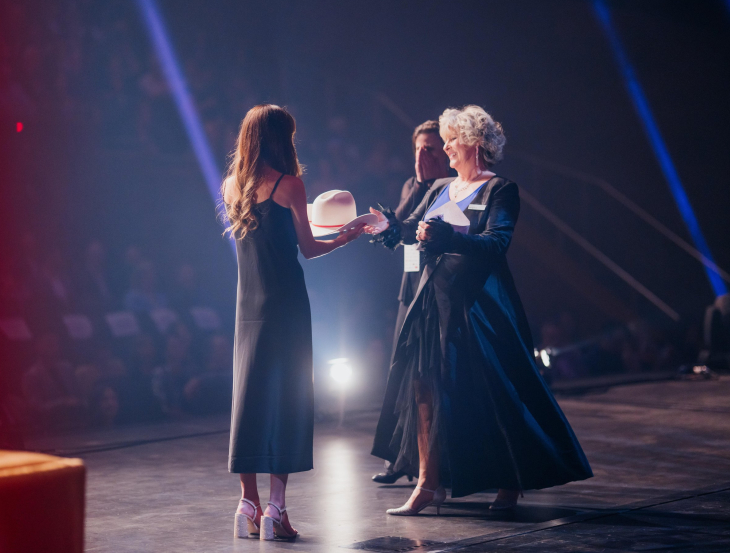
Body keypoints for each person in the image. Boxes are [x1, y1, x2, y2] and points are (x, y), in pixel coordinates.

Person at [367, 105, 592, 516]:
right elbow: (411, 230)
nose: (447, 146)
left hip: (479, 310)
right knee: (423, 388)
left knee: (493, 393)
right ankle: (426, 484)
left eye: (452, 139)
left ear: (473, 142)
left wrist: (448, 236)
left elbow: (496, 243)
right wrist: (388, 227)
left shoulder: (500, 190)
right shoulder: (440, 189)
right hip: (433, 305)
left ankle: (510, 481)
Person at [223, 104, 364, 540]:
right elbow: (309, 248)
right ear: (282, 139)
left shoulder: (231, 186)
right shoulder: (290, 186)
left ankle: (248, 504)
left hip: (247, 307)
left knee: (247, 401)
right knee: (287, 401)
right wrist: (349, 234)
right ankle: (276, 510)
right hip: (285, 306)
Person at [373, 120, 449, 485]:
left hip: (437, 288)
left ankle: (430, 464)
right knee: (399, 369)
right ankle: (396, 459)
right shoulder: (412, 184)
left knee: (426, 378)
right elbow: (399, 225)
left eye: (431, 149)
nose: (423, 156)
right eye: (418, 149)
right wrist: (419, 184)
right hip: (410, 281)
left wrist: (431, 185)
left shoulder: (450, 188)